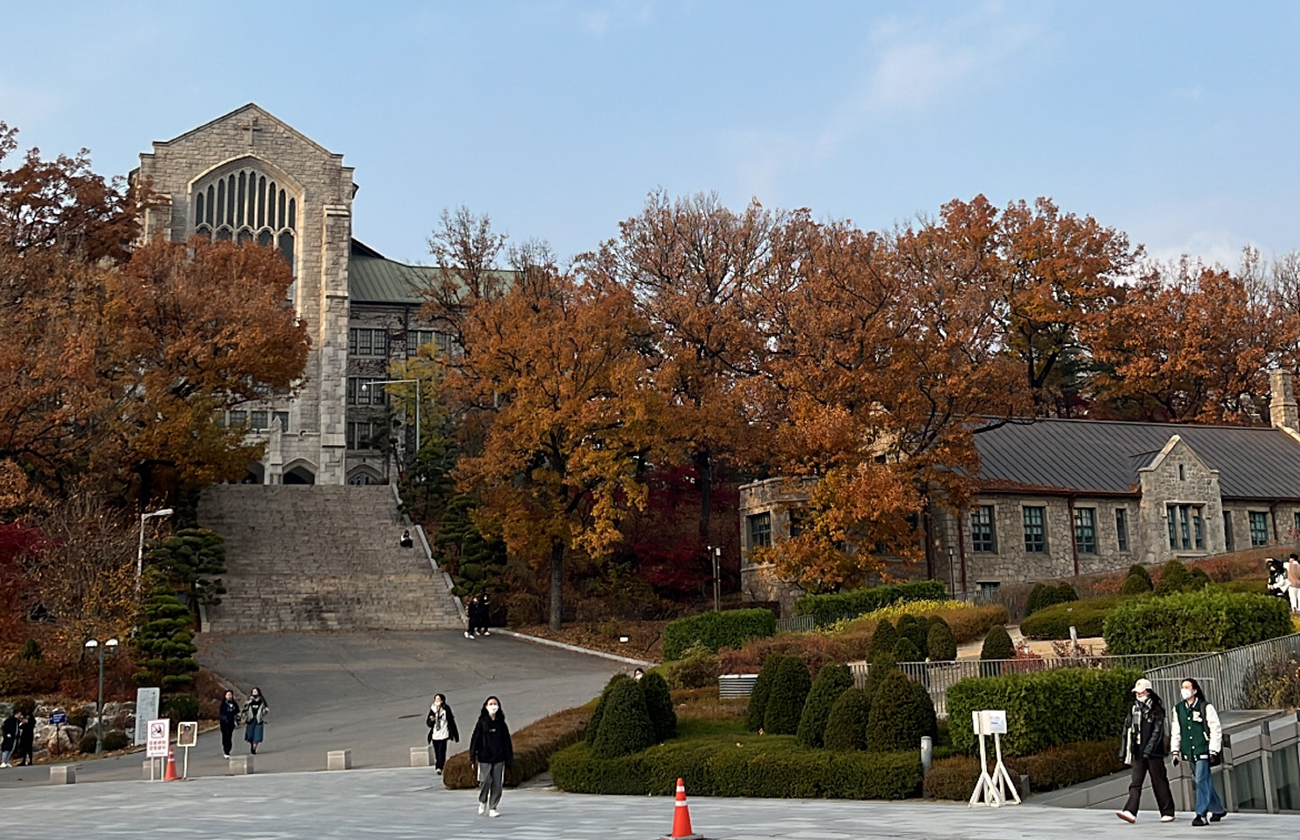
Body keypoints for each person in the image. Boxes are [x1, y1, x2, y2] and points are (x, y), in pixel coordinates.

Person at [1115, 678, 1175, 824]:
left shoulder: (1157, 710)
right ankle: (1130, 811)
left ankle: (1167, 811)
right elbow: (1127, 731)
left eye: (1141, 693)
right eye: (1137, 693)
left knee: (1159, 781)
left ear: (1148, 692)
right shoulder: (1134, 709)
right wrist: (1126, 751)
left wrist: (1149, 749)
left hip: (1154, 753)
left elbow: (1157, 732)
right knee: (1135, 782)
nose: (1139, 695)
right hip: (1138, 751)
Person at [1171, 677, 1226, 826]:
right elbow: (1176, 730)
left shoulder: (1205, 707)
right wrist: (1175, 751)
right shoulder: (1178, 709)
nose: (1184, 690)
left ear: (1194, 690)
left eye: (1187, 687)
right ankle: (1218, 809)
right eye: (1183, 687)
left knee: (1201, 779)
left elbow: (1215, 728)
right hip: (1189, 751)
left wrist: (1214, 749)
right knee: (1203, 780)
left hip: (1203, 749)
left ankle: (1201, 814)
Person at [469, 695, 513, 818]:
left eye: (495, 704)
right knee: (485, 781)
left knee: (497, 784)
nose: (493, 706)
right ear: (486, 706)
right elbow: (475, 739)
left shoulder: (501, 723)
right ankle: (482, 800)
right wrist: (473, 756)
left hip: (499, 758)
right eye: (490, 704)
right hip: (484, 757)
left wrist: (509, 758)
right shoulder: (482, 722)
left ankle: (493, 807)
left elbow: (507, 741)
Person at [425, 694, 459, 775]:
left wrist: (455, 735)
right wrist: (432, 720)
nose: (437, 701)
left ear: (442, 700)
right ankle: (439, 765)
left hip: (444, 734)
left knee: (442, 751)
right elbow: (428, 723)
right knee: (437, 752)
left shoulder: (445, 709)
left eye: (438, 699)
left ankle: (439, 767)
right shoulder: (432, 710)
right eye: (435, 699)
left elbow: (451, 722)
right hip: (435, 735)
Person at [244, 687, 269, 755]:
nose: (254, 693)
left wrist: (262, 713)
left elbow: (266, 709)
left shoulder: (261, 700)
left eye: (256, 691)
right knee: (250, 735)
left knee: (257, 735)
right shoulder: (249, 701)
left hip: (258, 720)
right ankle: (252, 744)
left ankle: (254, 747)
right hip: (250, 719)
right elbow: (245, 709)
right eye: (253, 692)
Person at [219, 690, 241, 759]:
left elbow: (237, 712)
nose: (229, 696)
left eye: (230, 695)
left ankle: (228, 749)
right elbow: (221, 713)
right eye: (228, 695)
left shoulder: (234, 704)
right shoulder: (223, 704)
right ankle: (225, 749)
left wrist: (237, 719)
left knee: (229, 735)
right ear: (225, 696)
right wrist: (224, 719)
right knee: (224, 736)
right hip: (224, 723)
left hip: (231, 723)